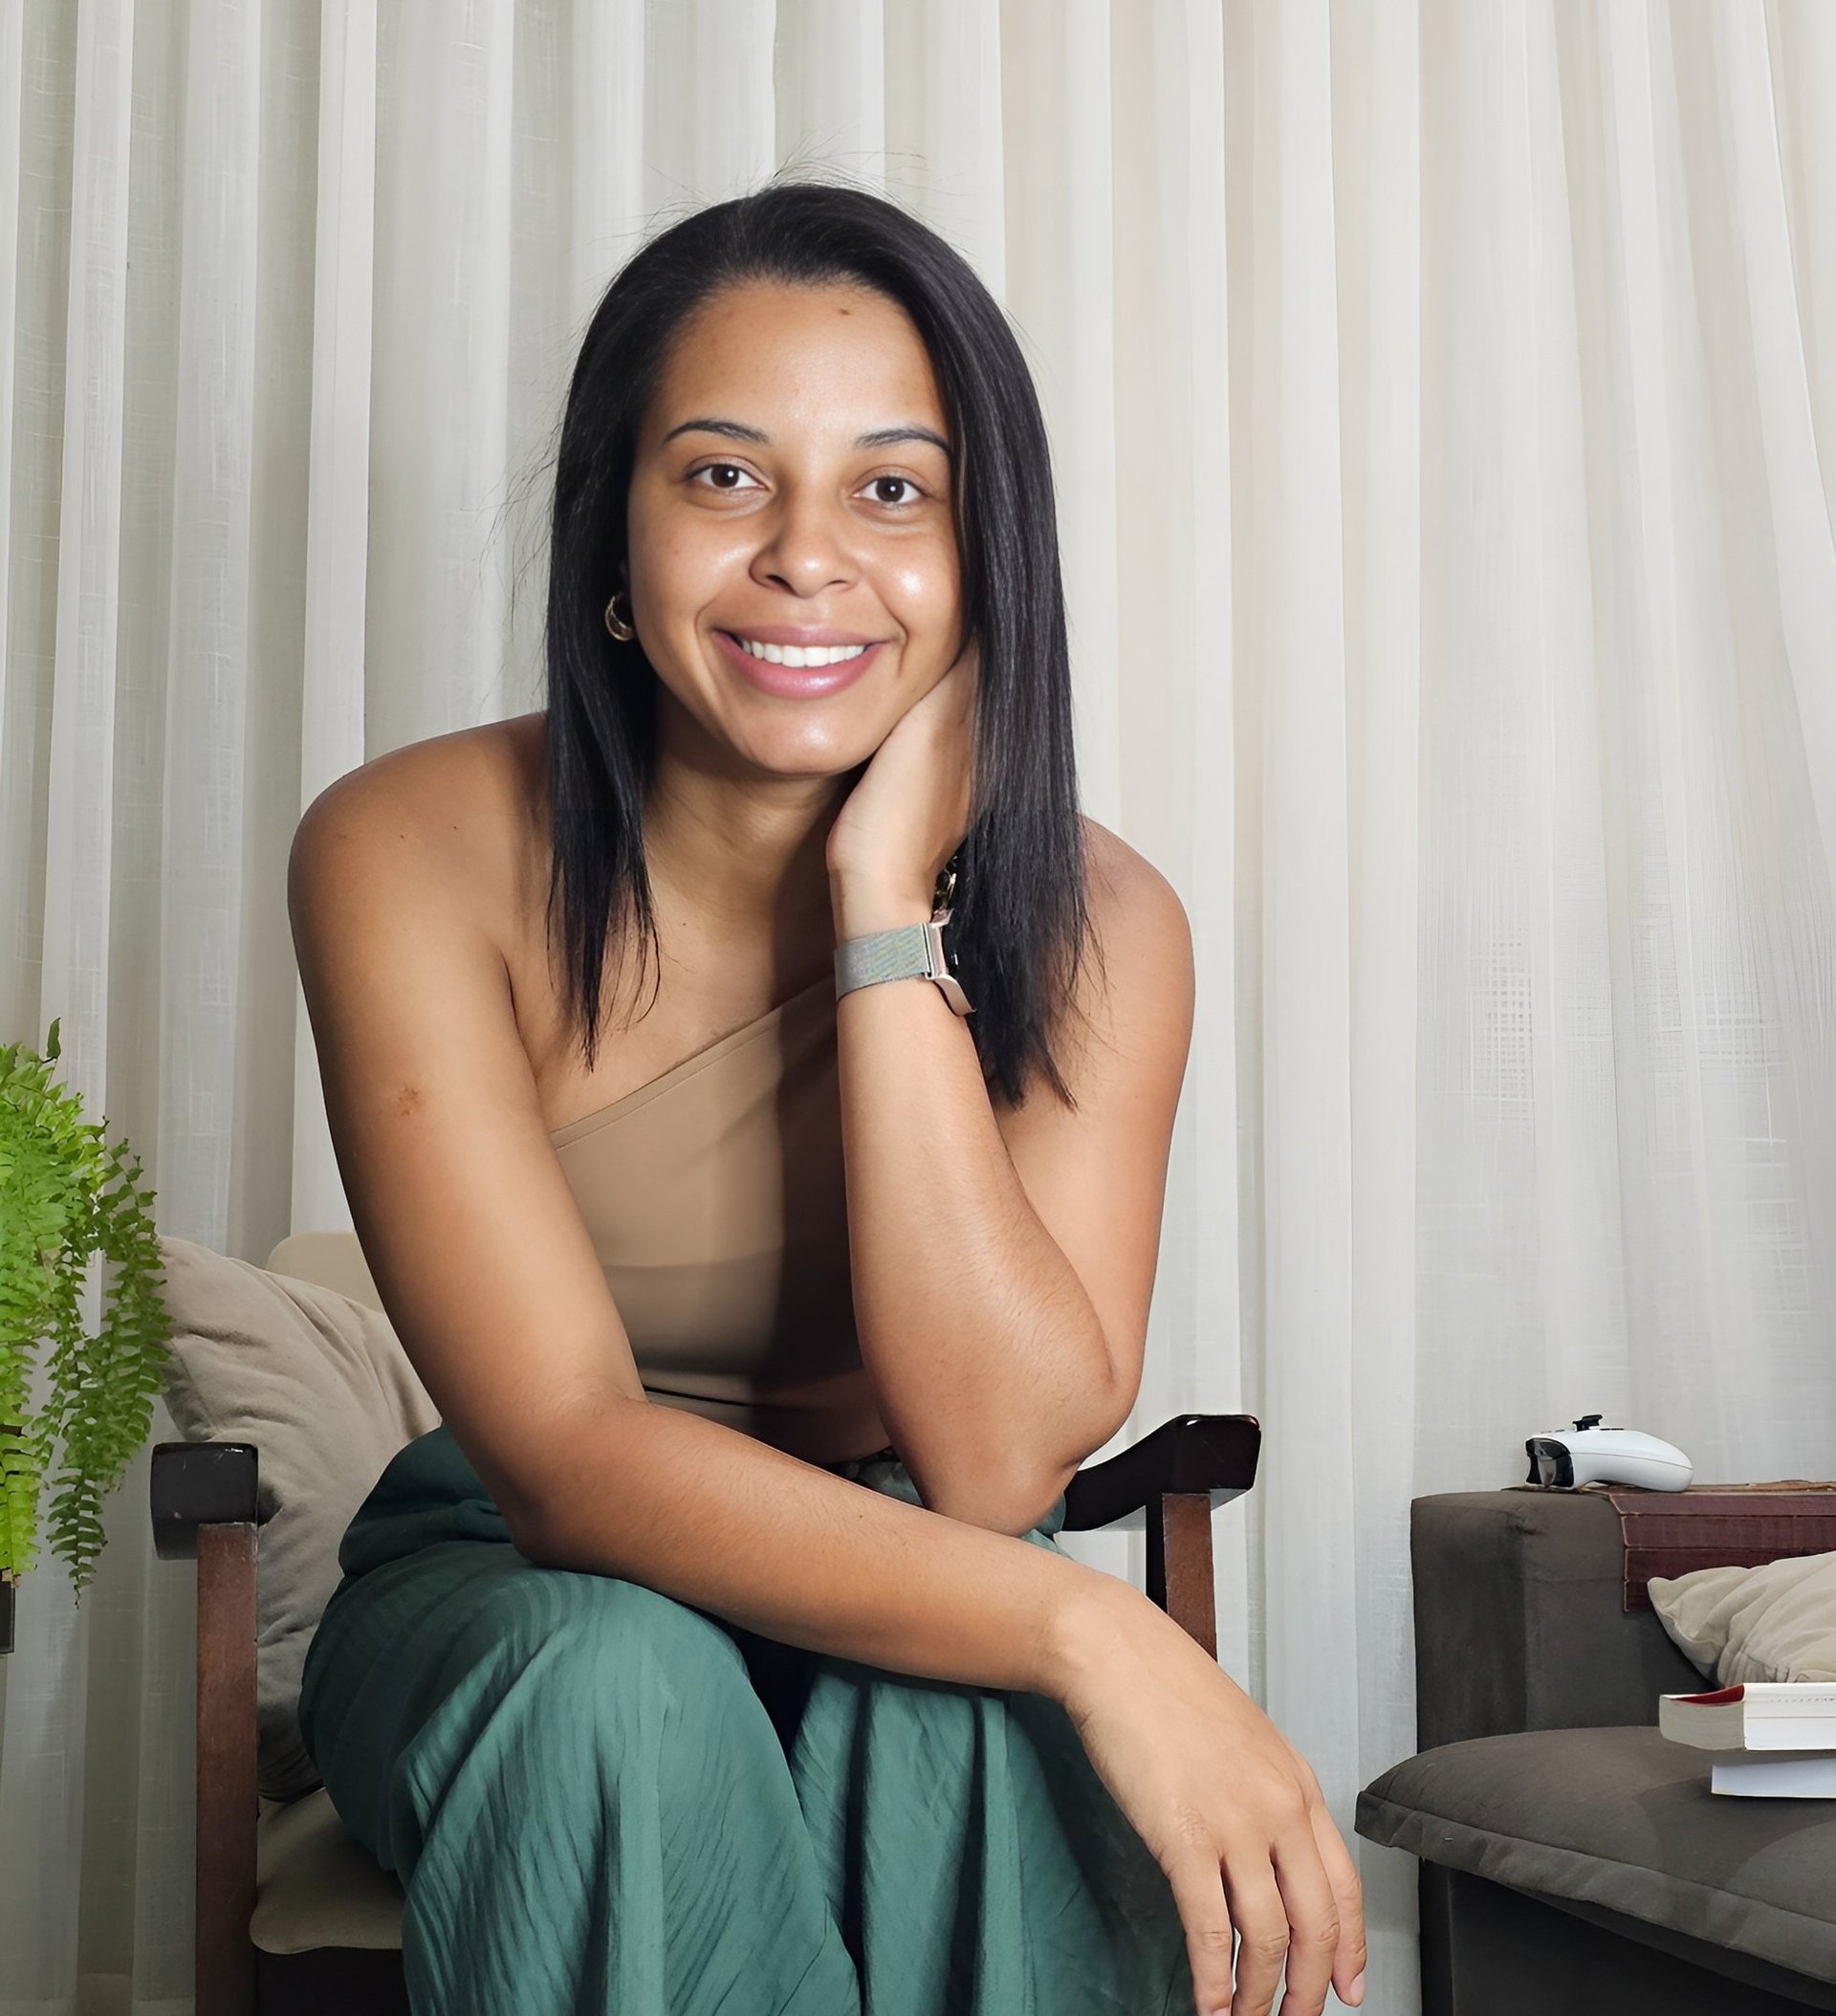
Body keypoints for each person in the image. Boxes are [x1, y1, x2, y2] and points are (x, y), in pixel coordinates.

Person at [289, 175, 1366, 2016]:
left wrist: (883, 918)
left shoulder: (1106, 921)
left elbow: (992, 1462)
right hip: (510, 1601)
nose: (805, 555)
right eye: (722, 476)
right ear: (611, 539)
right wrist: (1096, 1628)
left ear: (983, 553)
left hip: (920, 1563)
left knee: (971, 1717)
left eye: (892, 490)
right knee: (617, 1689)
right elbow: (565, 1463)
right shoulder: (408, 847)